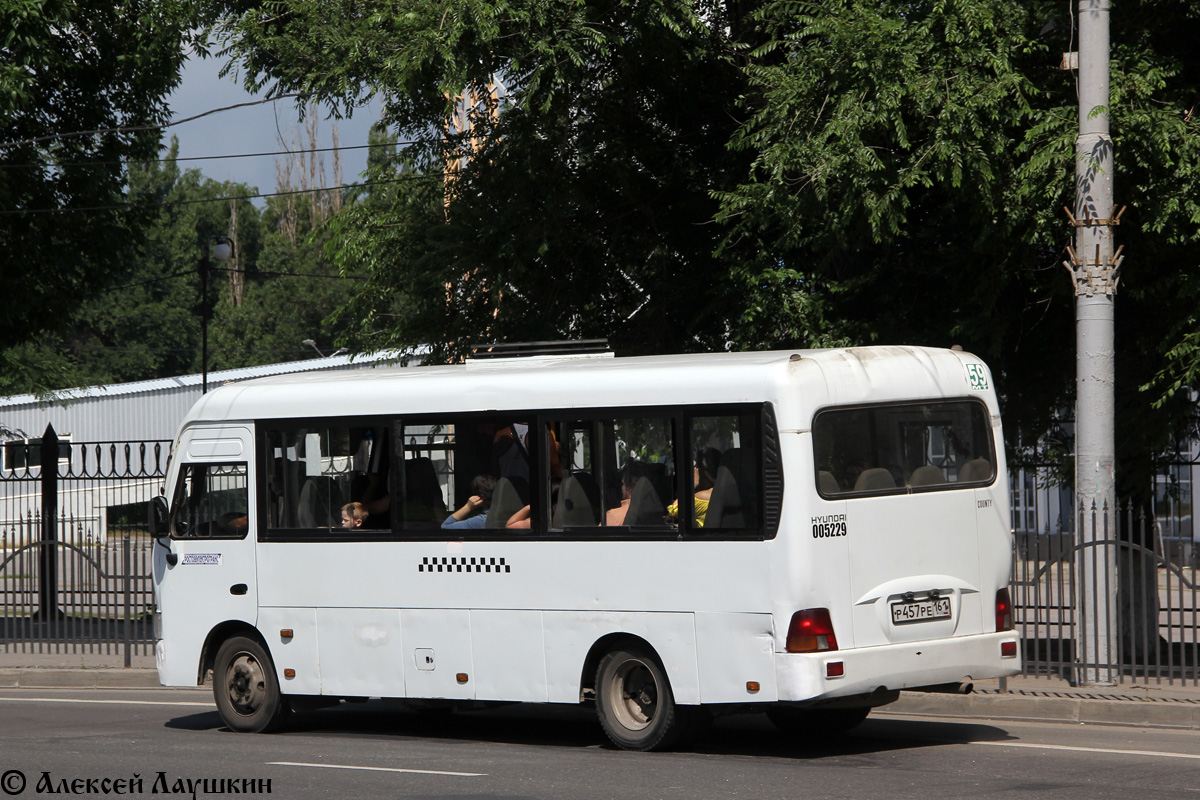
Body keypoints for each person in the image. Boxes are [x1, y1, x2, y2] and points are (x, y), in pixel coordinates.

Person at [668, 448, 720, 527]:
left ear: (703, 472)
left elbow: (673, 511)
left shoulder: (701, 497)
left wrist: (691, 487)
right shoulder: (730, 491)